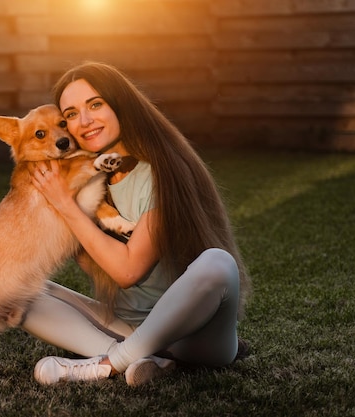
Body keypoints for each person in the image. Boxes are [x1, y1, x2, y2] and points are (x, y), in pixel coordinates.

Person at [21, 62, 251, 386]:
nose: (84, 121)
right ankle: (148, 360)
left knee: (217, 264)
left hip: (198, 336)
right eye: (70, 114)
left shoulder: (161, 169)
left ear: (120, 104)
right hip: (129, 326)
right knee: (13, 292)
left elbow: (129, 272)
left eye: (95, 104)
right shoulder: (87, 185)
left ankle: (106, 364)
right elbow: (98, 268)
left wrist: (65, 206)